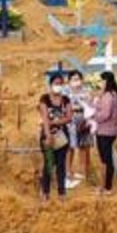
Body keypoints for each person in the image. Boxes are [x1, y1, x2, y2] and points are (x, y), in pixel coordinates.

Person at [38, 73, 73, 202]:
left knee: (61, 165)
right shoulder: (44, 99)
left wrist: (57, 122)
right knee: (48, 164)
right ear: (51, 84)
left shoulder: (66, 100)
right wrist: (48, 136)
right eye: (56, 83)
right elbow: (45, 119)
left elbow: (69, 117)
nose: (58, 86)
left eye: (60, 83)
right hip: (47, 136)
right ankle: (45, 191)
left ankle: (61, 192)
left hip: (62, 137)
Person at [91, 71, 117, 197]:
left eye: (101, 81)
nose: (100, 83)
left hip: (105, 131)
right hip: (107, 131)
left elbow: (105, 114)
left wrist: (93, 115)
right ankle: (103, 186)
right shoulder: (111, 94)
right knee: (105, 160)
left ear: (106, 81)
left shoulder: (109, 96)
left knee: (106, 160)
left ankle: (108, 188)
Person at [65, 70, 94, 190]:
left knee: (84, 147)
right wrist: (77, 106)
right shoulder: (65, 91)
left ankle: (84, 173)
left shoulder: (86, 91)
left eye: (78, 79)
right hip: (70, 122)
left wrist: (76, 107)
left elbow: (89, 104)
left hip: (84, 121)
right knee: (69, 148)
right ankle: (68, 172)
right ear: (69, 80)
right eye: (73, 79)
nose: (76, 81)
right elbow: (65, 106)